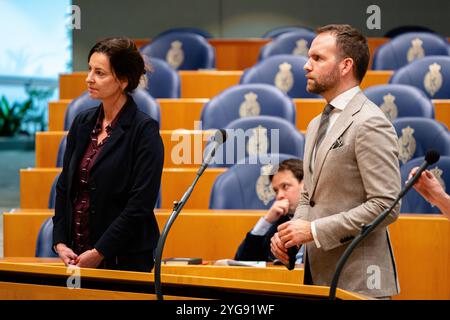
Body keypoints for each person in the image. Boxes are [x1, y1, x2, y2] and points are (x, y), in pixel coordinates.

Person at [270, 24, 401, 298]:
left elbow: (386, 205)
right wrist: (291, 237)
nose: (306, 66)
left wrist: (314, 230)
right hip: (319, 280)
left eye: (317, 58)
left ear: (345, 66)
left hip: (361, 284)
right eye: (309, 57)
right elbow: (308, 197)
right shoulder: (316, 123)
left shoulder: (371, 122)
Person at [52, 38, 164, 272]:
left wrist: (100, 252)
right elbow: (64, 187)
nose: (89, 78)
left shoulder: (144, 131)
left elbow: (140, 205)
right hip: (78, 254)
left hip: (125, 258)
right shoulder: (82, 122)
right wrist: (60, 242)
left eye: (99, 73)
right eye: (90, 69)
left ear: (122, 80)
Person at [234, 159, 304, 262]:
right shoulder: (277, 224)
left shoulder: (322, 218)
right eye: (276, 191)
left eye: (285, 187)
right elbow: (242, 260)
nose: (279, 196)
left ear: (305, 185)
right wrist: (266, 221)